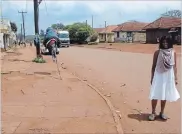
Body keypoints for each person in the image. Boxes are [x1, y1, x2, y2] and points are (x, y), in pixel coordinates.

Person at [149, 36, 180, 121]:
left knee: (164, 95)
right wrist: (152, 78)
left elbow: (175, 67)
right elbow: (153, 66)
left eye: (166, 42)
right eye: (163, 42)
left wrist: (175, 78)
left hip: (168, 76)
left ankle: (162, 112)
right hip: (158, 75)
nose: (165, 44)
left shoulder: (173, 52)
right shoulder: (157, 52)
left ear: (170, 43)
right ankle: (153, 112)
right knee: (155, 94)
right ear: (161, 43)